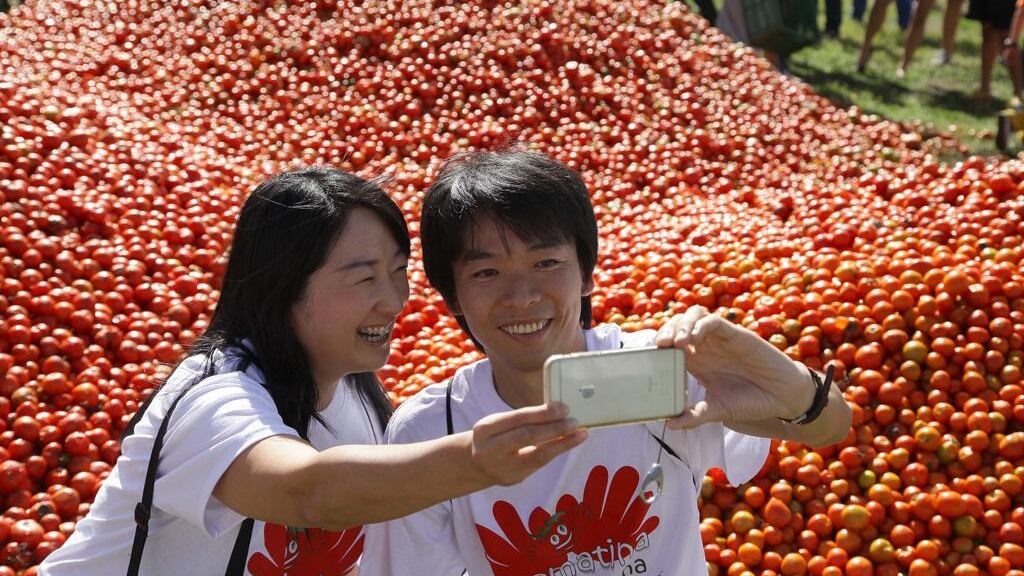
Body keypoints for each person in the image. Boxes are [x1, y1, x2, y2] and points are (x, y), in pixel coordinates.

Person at [38, 167, 586, 575]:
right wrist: (473, 461)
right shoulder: (216, 399)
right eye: (363, 278)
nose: (394, 300)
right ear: (283, 287)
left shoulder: (360, 400)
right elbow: (307, 493)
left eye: (398, 271)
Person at [362, 150, 852, 575]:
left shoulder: (661, 373)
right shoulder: (430, 431)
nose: (522, 296)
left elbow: (828, 426)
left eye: (546, 263)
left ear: (586, 274)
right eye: (487, 272)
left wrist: (770, 369)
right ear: (452, 297)